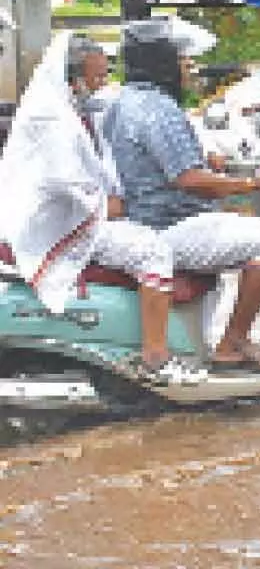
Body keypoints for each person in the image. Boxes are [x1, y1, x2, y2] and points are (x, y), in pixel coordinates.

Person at [101, 18, 260, 372]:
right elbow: (188, 179)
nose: (189, 67)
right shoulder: (159, 110)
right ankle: (232, 343)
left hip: (142, 219)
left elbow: (161, 164)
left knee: (237, 230)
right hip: (170, 225)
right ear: (162, 62)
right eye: (182, 59)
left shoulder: (123, 101)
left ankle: (211, 341)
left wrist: (217, 168)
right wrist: (249, 185)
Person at [67, 36, 206, 383]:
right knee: (152, 250)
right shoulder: (57, 121)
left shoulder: (93, 112)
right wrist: (109, 205)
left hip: (98, 213)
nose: (103, 86)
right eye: (96, 79)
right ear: (73, 80)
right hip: (76, 222)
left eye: (105, 76)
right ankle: (156, 358)